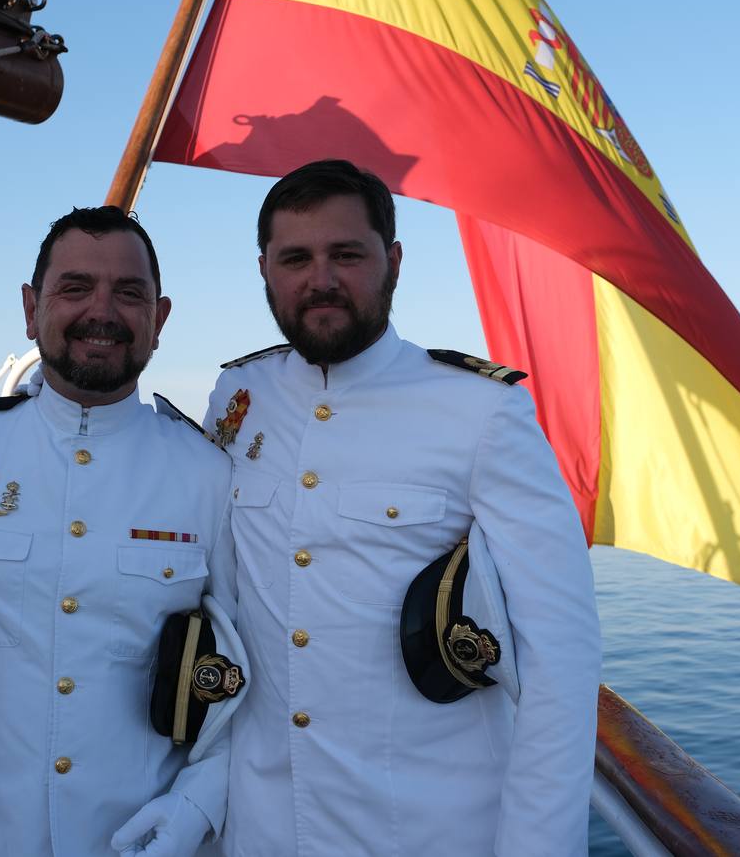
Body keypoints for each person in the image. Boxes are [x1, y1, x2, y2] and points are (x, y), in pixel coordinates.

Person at [204, 160, 601, 855]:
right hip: (265, 828)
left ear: (392, 261)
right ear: (264, 269)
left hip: (428, 829)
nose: (321, 279)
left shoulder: (481, 409)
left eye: (347, 254)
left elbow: (559, 656)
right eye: (295, 259)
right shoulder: (240, 397)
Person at [0, 206, 238, 857]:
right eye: (75, 288)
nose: (101, 311)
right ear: (31, 310)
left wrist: (196, 805)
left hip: (141, 840)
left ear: (159, 319)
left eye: (129, 293)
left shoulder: (206, 474)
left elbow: (245, 672)